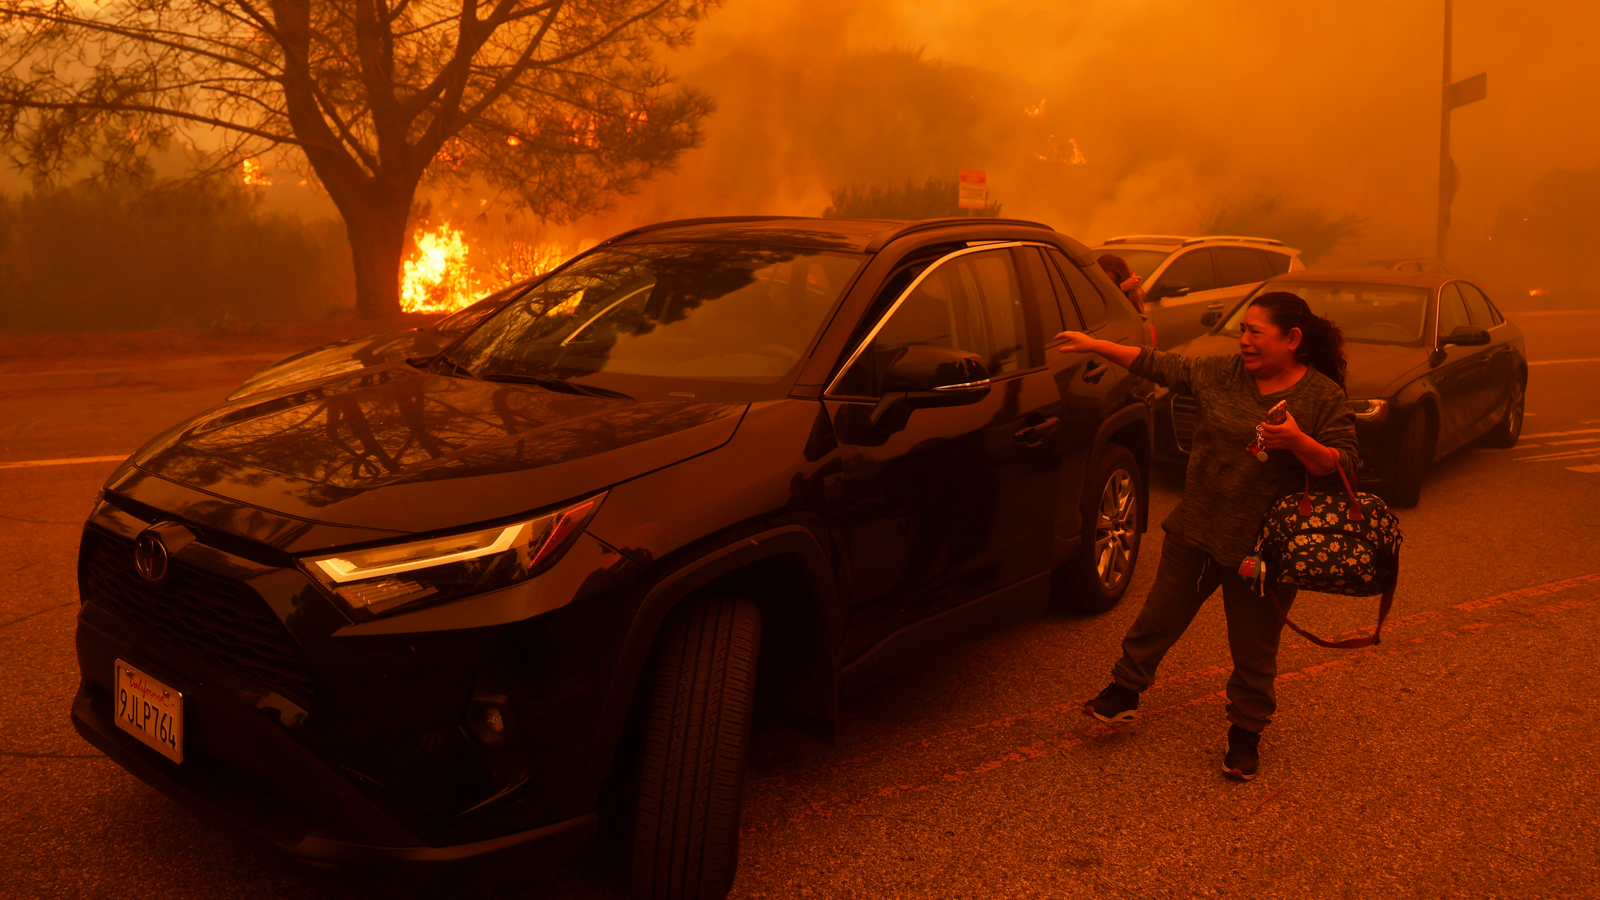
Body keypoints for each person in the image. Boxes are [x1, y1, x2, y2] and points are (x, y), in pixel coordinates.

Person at [1055, 291, 1358, 781]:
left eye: (1255, 332)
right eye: (1242, 331)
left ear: (1292, 339)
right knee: (1157, 618)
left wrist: (1297, 441)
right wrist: (1096, 345)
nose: (1244, 341)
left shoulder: (1322, 396)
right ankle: (1124, 692)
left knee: (1254, 650)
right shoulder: (1221, 374)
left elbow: (1346, 466)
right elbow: (1160, 365)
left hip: (1264, 554)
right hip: (1196, 530)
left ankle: (1245, 735)